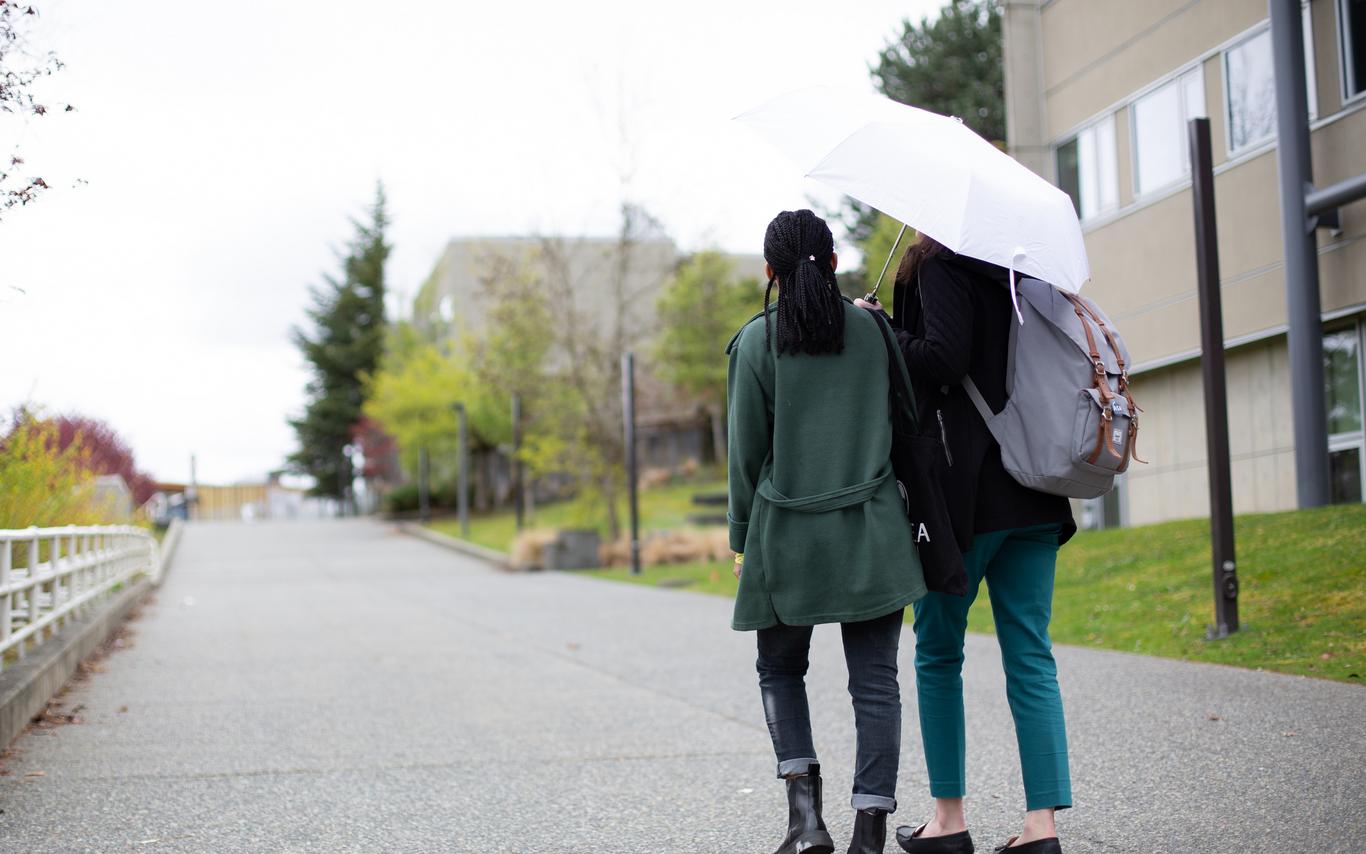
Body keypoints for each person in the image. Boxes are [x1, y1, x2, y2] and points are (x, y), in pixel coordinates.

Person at [858, 236, 1076, 854]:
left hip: (963, 497)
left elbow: (943, 360)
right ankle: (1041, 829)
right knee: (1031, 654)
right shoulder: (1026, 275)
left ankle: (948, 820)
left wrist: (881, 330)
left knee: (937, 653)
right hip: (1034, 486)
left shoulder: (940, 266)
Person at [728, 209, 928, 854]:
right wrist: (876, 328)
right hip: (872, 535)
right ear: (835, 263)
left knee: (780, 671)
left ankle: (805, 821)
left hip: (785, 537)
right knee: (875, 683)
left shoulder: (755, 343)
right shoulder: (875, 331)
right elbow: (908, 416)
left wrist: (740, 538)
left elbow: (744, 452)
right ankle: (869, 833)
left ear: (770, 272)